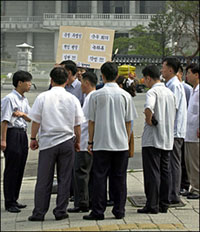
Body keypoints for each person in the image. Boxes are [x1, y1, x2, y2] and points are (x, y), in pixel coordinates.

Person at [27, 67, 84, 221]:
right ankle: (60, 211)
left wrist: (33, 138)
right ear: (66, 81)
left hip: (47, 143)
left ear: (51, 80)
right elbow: (77, 125)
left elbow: (36, 121)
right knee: (65, 178)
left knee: (44, 179)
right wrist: (78, 142)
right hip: (67, 142)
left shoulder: (42, 97)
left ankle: (39, 212)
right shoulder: (72, 99)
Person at [83, 61, 136, 220]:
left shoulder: (96, 95)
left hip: (101, 142)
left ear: (102, 76)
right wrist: (126, 140)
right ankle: (119, 211)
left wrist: (90, 142)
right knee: (119, 178)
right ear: (117, 75)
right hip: (120, 143)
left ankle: (98, 211)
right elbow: (129, 122)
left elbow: (91, 121)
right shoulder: (125, 95)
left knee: (99, 177)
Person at [137, 65, 176, 214]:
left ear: (148, 78)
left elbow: (149, 107)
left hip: (153, 138)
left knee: (152, 173)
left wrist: (148, 119)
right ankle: (164, 203)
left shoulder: (152, 91)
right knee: (165, 171)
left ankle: (152, 205)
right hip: (167, 137)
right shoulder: (169, 92)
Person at [1, 70, 32, 213]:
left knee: (20, 167)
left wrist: (22, 114)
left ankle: (15, 198)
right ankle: (9, 201)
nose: (30, 85)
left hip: (22, 133)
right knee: (12, 168)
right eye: (28, 82)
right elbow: (4, 121)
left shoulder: (24, 99)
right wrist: (3, 140)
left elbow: (30, 117)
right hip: (12, 134)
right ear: (20, 83)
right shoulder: (9, 99)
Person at [68, 71, 98, 213]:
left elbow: (84, 122)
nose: (80, 87)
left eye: (82, 83)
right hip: (90, 141)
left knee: (81, 172)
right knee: (89, 173)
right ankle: (90, 199)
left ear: (86, 83)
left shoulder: (91, 97)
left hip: (85, 141)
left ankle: (82, 203)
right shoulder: (91, 97)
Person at [161, 57, 187, 205]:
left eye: (164, 67)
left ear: (171, 69)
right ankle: (171, 192)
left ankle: (173, 194)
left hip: (174, 131)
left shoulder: (174, 86)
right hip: (172, 130)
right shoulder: (170, 84)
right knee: (171, 162)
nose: (162, 69)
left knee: (173, 162)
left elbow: (173, 108)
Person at [176, 65, 192, 196]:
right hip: (181, 128)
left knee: (182, 160)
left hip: (184, 128)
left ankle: (185, 184)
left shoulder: (187, 88)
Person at [184, 64, 199, 199]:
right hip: (189, 132)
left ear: (196, 75)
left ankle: (197, 189)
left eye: (189, 73)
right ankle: (193, 186)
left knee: (195, 162)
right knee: (189, 162)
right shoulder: (193, 90)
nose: (186, 75)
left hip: (196, 132)